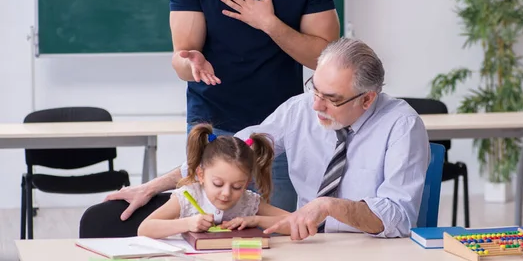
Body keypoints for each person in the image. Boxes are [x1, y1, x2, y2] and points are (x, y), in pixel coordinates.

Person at [79, 38, 430, 240]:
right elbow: (236, 148)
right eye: (315, 90)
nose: (317, 105)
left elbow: (398, 217)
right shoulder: (301, 109)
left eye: (332, 99)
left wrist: (329, 206)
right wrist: (156, 185)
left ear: (367, 99)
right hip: (306, 243)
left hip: (369, 247)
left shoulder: (402, 126)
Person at [169, 0, 340, 213]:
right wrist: (192, 63)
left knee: (279, 231)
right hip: (212, 129)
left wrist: (269, 24)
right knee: (210, 230)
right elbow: (182, 61)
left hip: (279, 132)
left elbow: (324, 59)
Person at [138, 124, 290, 239]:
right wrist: (187, 224)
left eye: (237, 187)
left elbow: (294, 223)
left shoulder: (248, 201)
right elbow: (144, 229)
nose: (226, 193)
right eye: (218, 184)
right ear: (201, 175)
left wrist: (256, 220)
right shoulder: (188, 197)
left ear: (247, 182)